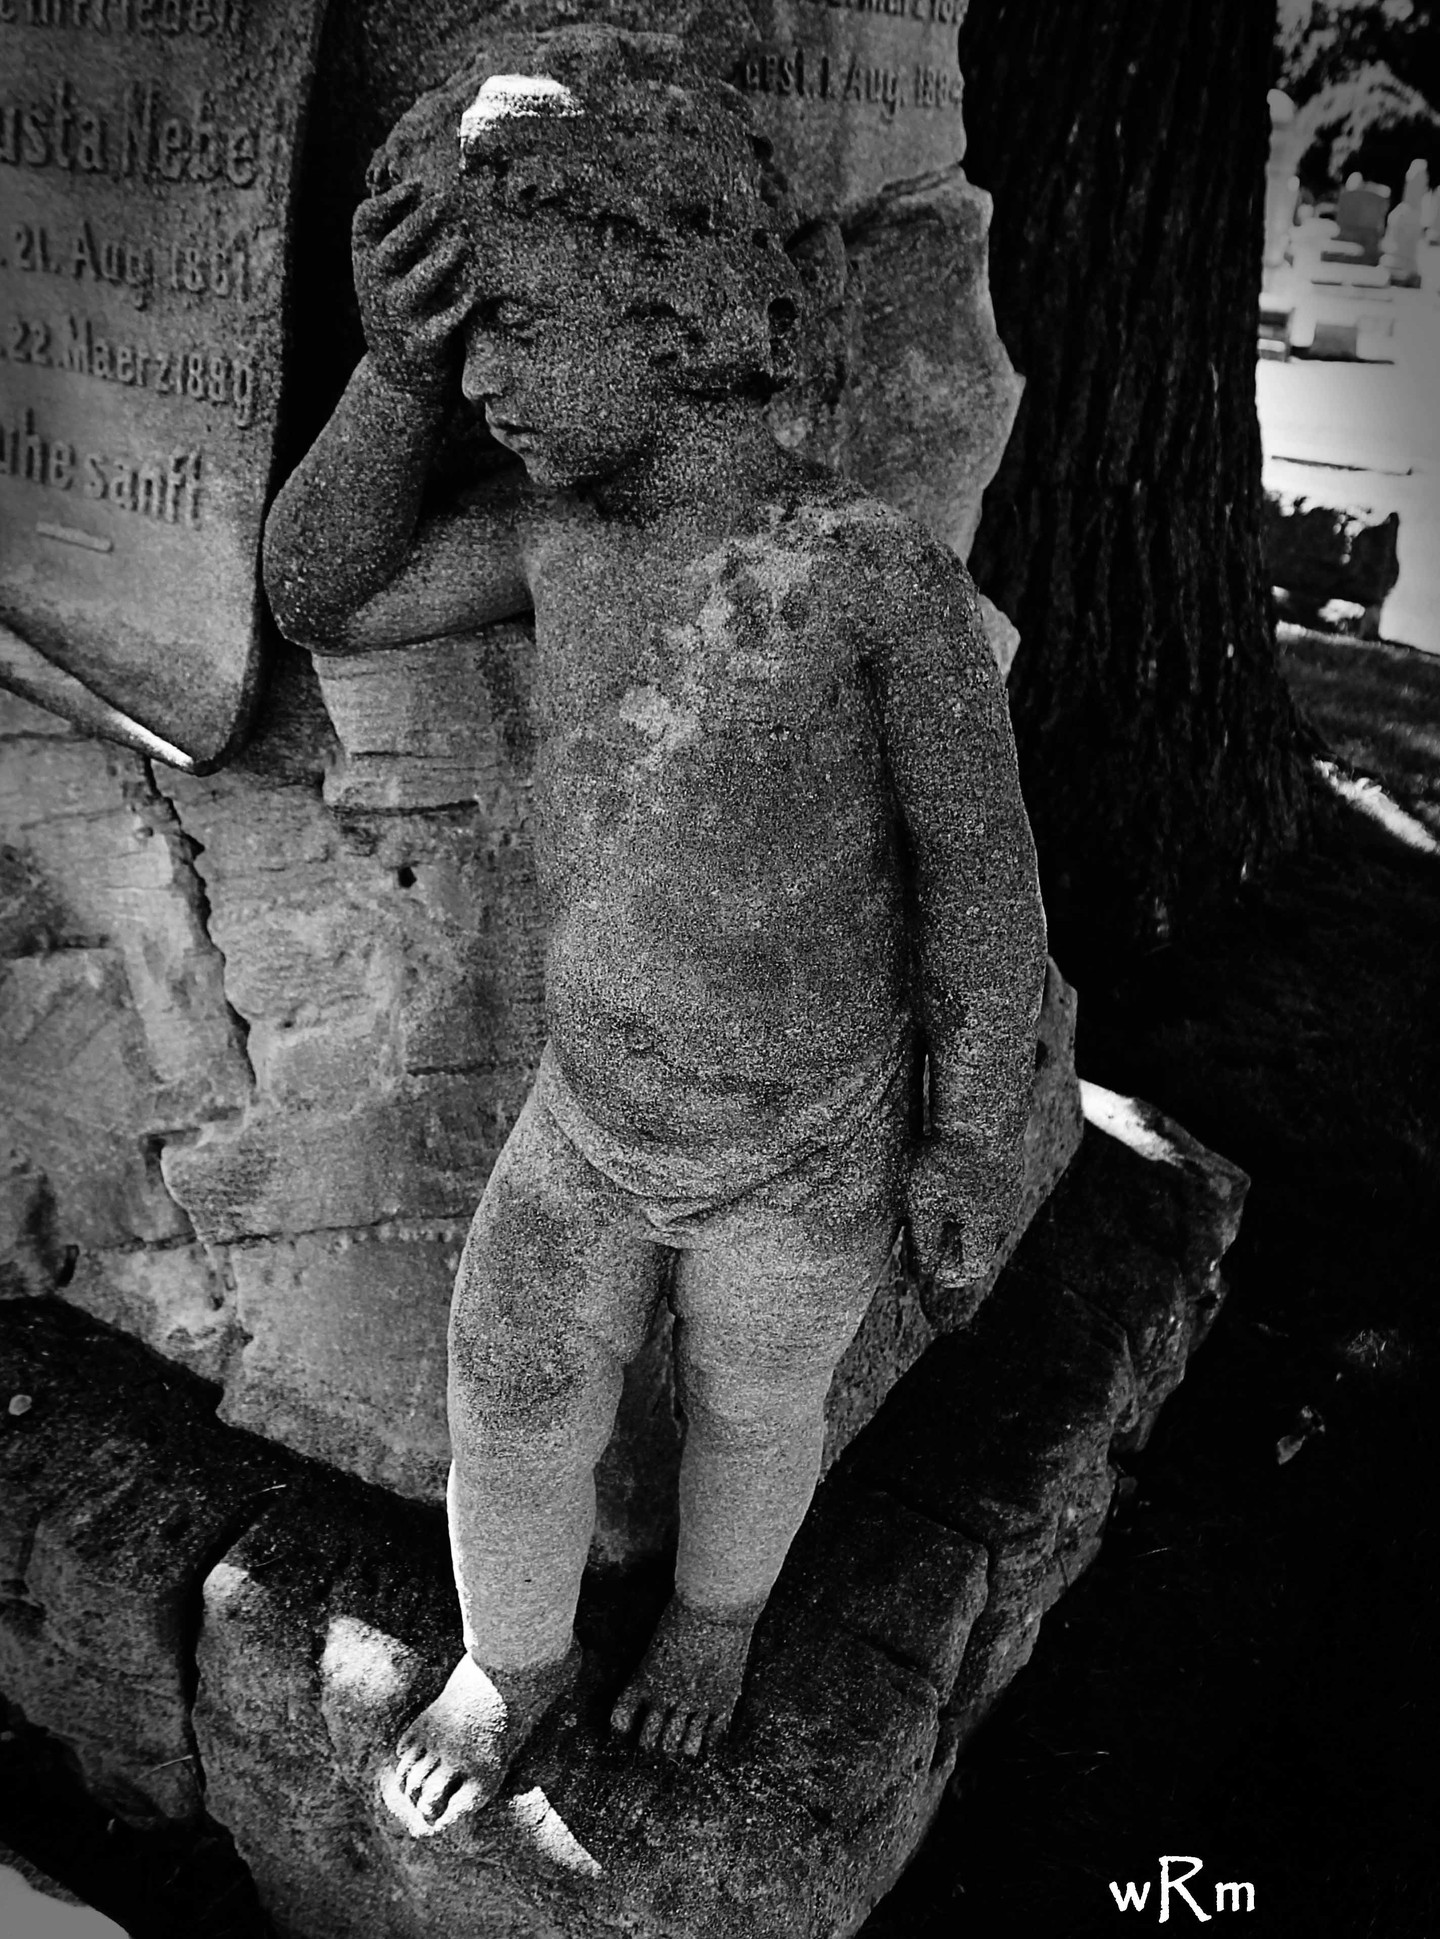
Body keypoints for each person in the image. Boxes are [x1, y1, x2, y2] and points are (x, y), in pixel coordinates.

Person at [263, 25, 1047, 1836]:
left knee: (760, 1407)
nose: (490, 395)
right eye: (464, 361)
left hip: (805, 1143)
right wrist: (389, 380)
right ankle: (514, 1657)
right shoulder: (558, 541)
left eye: (513, 336)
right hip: (591, 1119)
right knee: (514, 1378)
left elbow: (983, 884)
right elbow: (323, 588)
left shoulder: (865, 579)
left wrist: (966, 1135)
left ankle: (714, 1619)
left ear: (674, 300)